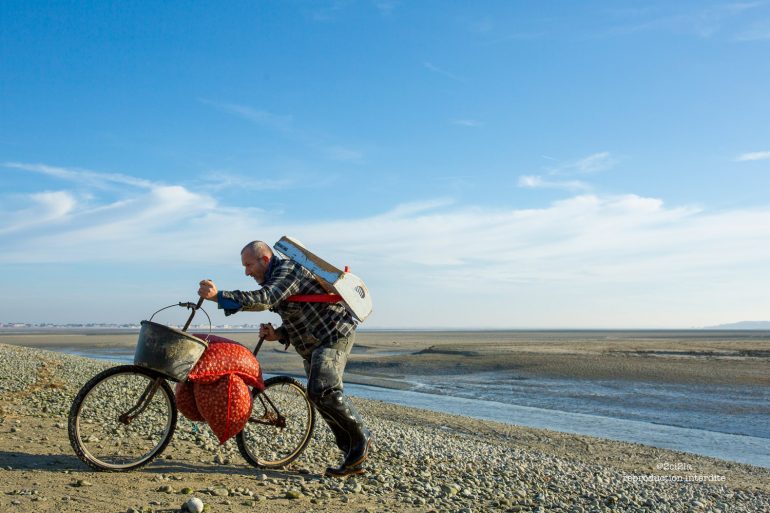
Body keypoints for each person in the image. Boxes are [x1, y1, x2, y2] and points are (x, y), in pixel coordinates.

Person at [197, 240, 372, 477]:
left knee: (324, 390)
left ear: (265, 259)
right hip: (313, 343)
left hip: (333, 335)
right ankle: (352, 455)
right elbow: (299, 314)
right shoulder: (277, 279)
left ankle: (361, 439)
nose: (246, 272)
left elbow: (266, 298)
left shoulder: (288, 271)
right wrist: (277, 334)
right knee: (318, 396)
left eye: (248, 265)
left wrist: (219, 297)